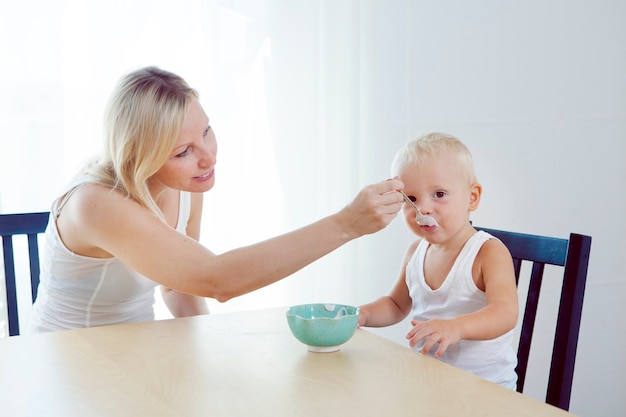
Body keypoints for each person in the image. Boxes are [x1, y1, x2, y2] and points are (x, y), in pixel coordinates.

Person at [29, 66, 404, 333]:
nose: (208, 156)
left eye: (207, 131)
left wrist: (209, 343)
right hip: (69, 359)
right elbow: (216, 279)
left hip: (137, 348)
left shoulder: (183, 185)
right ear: (136, 157)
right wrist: (346, 224)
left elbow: (180, 284)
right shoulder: (97, 204)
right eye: (183, 152)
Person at [358, 133, 519, 389]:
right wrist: (362, 314)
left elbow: (505, 313)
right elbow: (395, 305)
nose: (423, 209)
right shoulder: (415, 252)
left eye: (439, 194)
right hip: (429, 385)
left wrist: (456, 327)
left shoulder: (487, 252)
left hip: (486, 391)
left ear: (472, 197)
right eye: (410, 199)